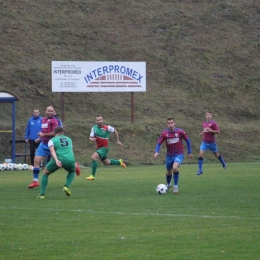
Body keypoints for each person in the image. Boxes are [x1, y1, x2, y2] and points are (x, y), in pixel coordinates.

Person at [37, 126, 80, 199]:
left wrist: (56, 160)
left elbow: (52, 151)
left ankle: (42, 194)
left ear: (54, 133)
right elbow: (70, 150)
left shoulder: (52, 140)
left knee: (45, 173)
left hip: (59, 159)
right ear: (62, 132)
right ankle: (66, 186)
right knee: (72, 171)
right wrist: (73, 161)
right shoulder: (69, 139)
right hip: (70, 159)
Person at [154, 117, 192, 194]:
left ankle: (175, 186)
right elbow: (159, 143)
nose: (170, 124)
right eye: (169, 123)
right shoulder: (164, 133)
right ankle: (168, 184)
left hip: (179, 154)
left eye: (172, 123)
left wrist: (189, 152)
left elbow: (188, 141)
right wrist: (156, 151)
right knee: (168, 172)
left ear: (175, 123)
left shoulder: (180, 132)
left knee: (175, 167)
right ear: (167, 124)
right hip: (169, 155)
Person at [86, 115, 126, 180]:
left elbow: (115, 131)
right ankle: (119, 162)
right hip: (99, 148)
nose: (99, 121)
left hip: (105, 148)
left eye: (100, 120)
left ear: (102, 120)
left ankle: (92, 175)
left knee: (93, 158)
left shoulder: (107, 128)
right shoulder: (94, 128)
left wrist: (118, 141)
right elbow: (90, 137)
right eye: (97, 120)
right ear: (95, 121)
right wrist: (92, 139)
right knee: (107, 162)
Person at [27, 106, 59, 188]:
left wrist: (43, 135)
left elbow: (55, 133)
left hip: (53, 144)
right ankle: (35, 181)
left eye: (52, 111)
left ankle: (74, 167)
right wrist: (39, 138)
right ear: (45, 111)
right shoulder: (43, 120)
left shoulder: (54, 121)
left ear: (53, 112)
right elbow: (43, 131)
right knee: (36, 160)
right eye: (49, 110)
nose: (50, 112)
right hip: (44, 144)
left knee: (62, 161)